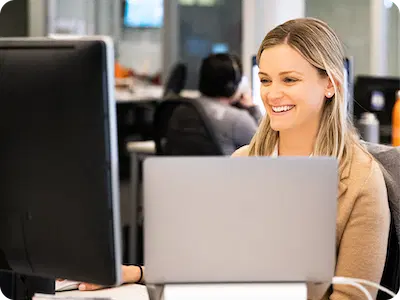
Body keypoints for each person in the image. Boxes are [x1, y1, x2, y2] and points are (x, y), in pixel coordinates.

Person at [77, 18, 391, 300]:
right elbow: (210, 266)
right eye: (266, 80)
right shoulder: (245, 160)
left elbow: (353, 298)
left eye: (289, 80)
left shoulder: (361, 180)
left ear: (331, 85)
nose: (272, 94)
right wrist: (141, 273)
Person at [164, 53, 262, 155]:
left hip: (182, 170)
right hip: (224, 171)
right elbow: (267, 147)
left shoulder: (183, 109)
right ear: (232, 86)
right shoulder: (237, 119)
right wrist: (252, 108)